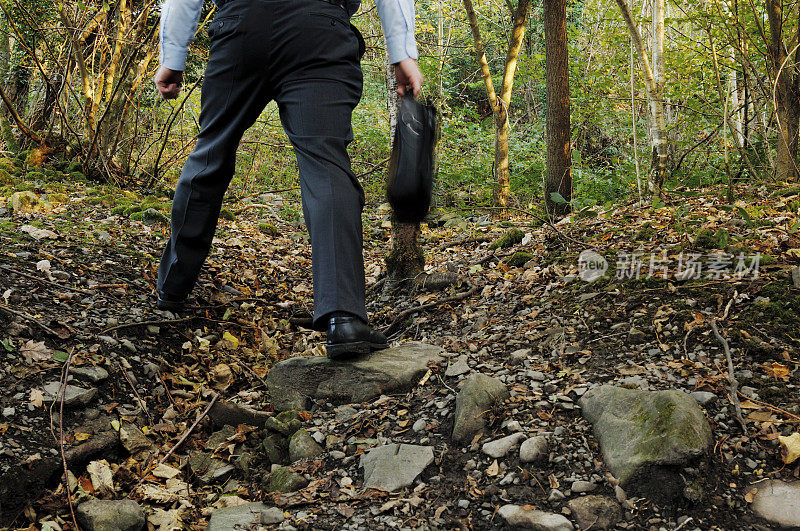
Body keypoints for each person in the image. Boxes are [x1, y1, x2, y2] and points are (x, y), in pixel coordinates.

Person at [154, 0, 422, 359]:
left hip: (241, 27)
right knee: (325, 164)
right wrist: (402, 52)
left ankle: (172, 287)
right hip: (319, 31)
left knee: (211, 153)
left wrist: (173, 55)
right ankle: (344, 318)